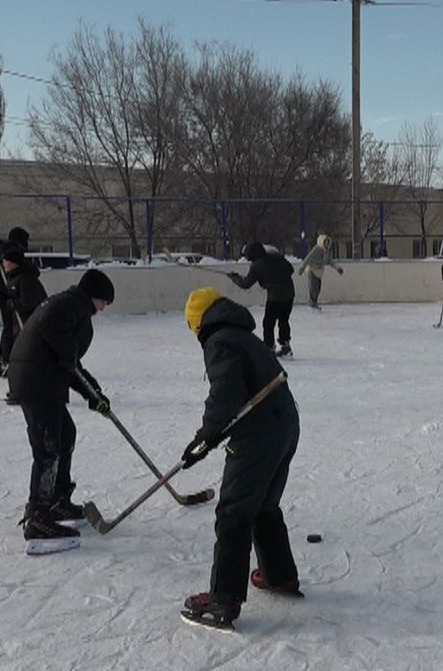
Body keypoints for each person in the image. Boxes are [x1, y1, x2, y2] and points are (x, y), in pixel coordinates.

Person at [180, 287, 302, 630]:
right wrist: (210, 436)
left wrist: (205, 437)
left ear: (198, 325)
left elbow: (226, 394)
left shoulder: (219, 342)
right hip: (286, 423)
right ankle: (279, 576)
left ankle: (224, 599)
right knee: (263, 505)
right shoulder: (244, 336)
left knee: (234, 511)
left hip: (259, 433)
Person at [6, 269, 115, 540]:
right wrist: (68, 352)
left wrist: (93, 394)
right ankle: (38, 515)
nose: (102, 310)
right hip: (35, 382)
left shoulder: (71, 305)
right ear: (95, 296)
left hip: (39, 379)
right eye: (104, 302)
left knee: (65, 435)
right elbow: (52, 331)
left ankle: (57, 500)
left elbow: (70, 365)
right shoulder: (70, 304)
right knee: (48, 447)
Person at [229, 242, 297, 357]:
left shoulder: (256, 266)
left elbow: (245, 284)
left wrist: (235, 278)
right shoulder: (276, 256)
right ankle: (286, 346)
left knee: (268, 323)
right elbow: (291, 269)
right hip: (289, 292)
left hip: (275, 297)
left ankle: (269, 348)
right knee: (283, 320)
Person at [0, 226, 31, 376]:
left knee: (11, 327)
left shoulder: (4, 252)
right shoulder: (10, 253)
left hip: (5, 293)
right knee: (10, 327)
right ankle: (5, 359)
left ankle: (6, 358)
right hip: (8, 294)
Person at [1, 246, 48, 334]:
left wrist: (12, 303)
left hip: (30, 325)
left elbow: (28, 302)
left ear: (14, 263)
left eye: (6, 261)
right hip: (20, 325)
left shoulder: (26, 279)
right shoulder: (14, 278)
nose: (3, 264)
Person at [296, 234, 343, 310]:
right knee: (313, 288)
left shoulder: (327, 252)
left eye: (328, 242)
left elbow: (330, 261)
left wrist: (337, 268)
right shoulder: (316, 249)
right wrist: (302, 268)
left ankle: (314, 304)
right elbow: (307, 259)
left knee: (318, 289)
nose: (327, 244)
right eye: (325, 242)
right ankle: (311, 304)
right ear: (322, 242)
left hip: (319, 272)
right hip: (312, 270)